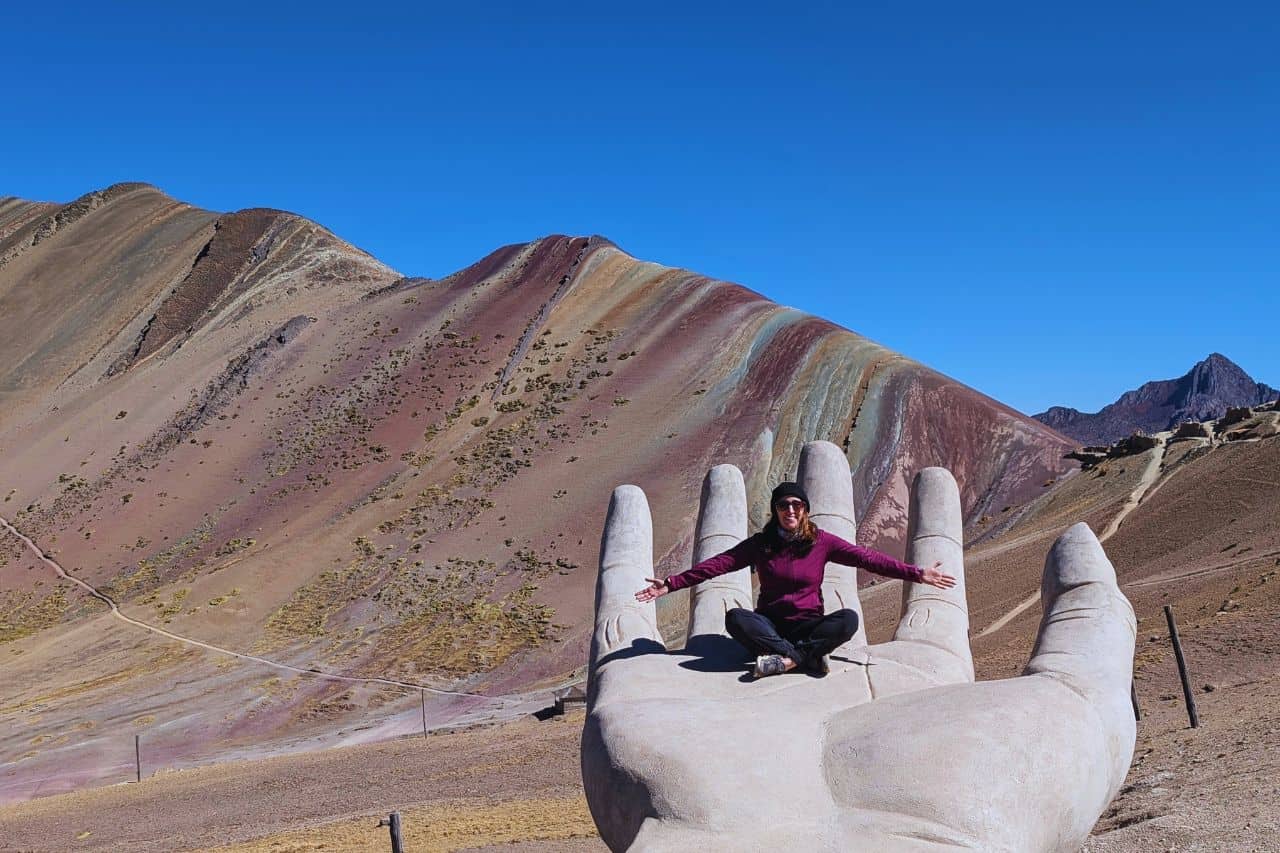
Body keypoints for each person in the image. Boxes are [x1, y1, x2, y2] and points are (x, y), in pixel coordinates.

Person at [635, 481, 957, 678]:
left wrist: (918, 574)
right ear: (775, 510)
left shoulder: (822, 542)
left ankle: (788, 660)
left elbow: (867, 558)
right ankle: (804, 657)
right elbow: (719, 564)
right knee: (735, 618)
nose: (790, 510)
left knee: (847, 620)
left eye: (797, 505)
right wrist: (671, 583)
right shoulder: (761, 544)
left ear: (805, 510)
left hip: (809, 623)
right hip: (771, 626)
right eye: (784, 505)